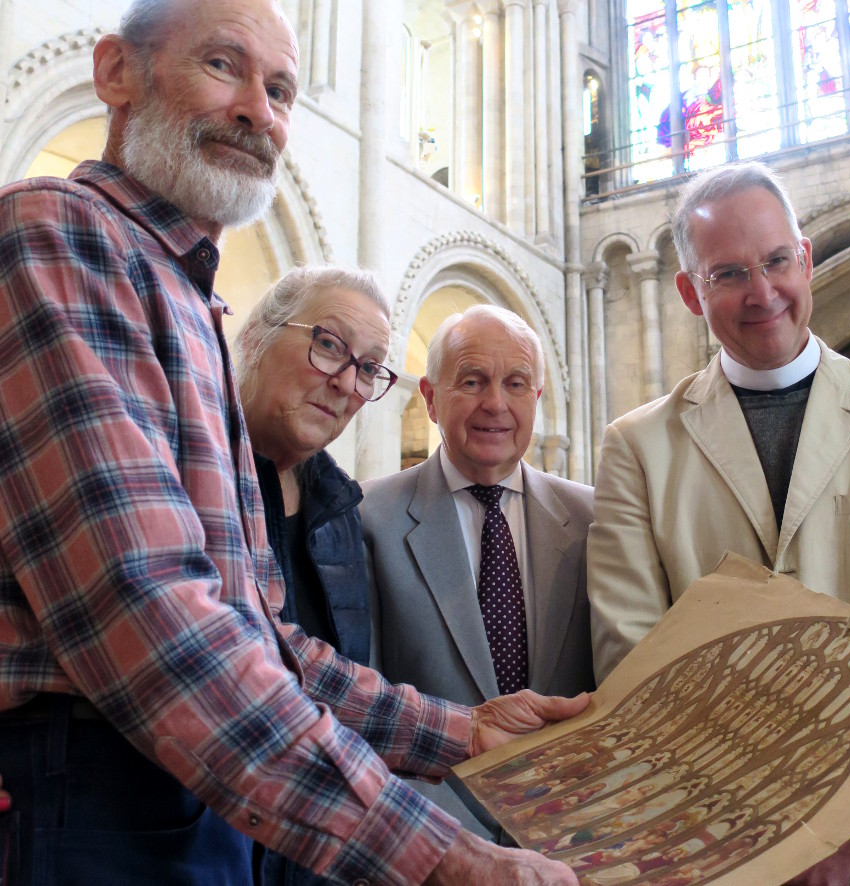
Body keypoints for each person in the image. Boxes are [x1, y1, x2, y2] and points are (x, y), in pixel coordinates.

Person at [0, 1, 588, 883]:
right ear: (118, 72)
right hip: (90, 792)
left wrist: (462, 729)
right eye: (223, 67)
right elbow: (151, 616)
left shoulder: (189, 299)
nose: (258, 110)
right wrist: (437, 856)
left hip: (199, 788)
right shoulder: (59, 234)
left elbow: (266, 641)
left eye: (280, 89)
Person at [587, 161, 850, 885]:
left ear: (804, 259)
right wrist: (769, 834)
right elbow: (636, 667)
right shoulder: (636, 450)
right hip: (720, 847)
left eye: (777, 260)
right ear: (688, 291)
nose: (763, 292)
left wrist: (845, 823)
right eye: (729, 274)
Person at [361, 304, 595, 839]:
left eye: (516, 384)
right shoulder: (365, 518)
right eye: (472, 381)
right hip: (428, 836)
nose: (496, 404)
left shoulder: (595, 521)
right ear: (429, 397)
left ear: (536, 399)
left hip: (574, 836)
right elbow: (363, 699)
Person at [234, 264, 389, 884]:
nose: (348, 383)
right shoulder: (193, 468)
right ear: (254, 338)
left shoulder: (342, 507)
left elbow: (344, 681)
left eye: (370, 368)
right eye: (329, 345)